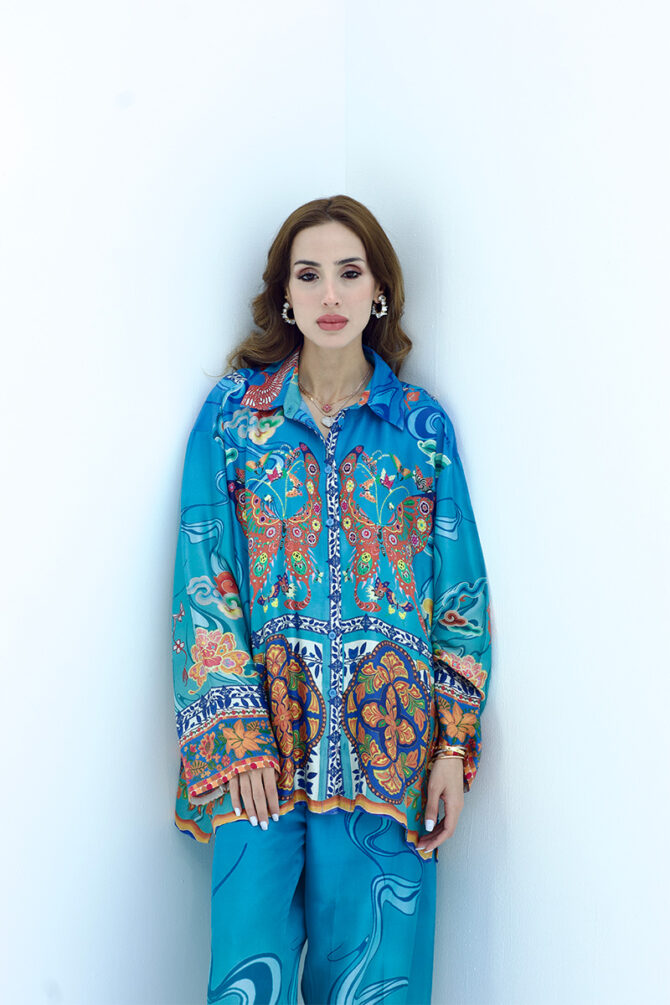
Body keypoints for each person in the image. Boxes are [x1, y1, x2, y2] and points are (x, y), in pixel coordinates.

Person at [171, 194, 492, 1005]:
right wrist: (236, 733)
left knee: (378, 985)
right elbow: (205, 575)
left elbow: (458, 595)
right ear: (284, 294)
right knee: (247, 980)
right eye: (308, 275)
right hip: (261, 750)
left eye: (350, 273)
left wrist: (452, 748)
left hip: (390, 749)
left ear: (379, 289)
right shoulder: (234, 419)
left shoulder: (421, 429)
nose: (330, 295)